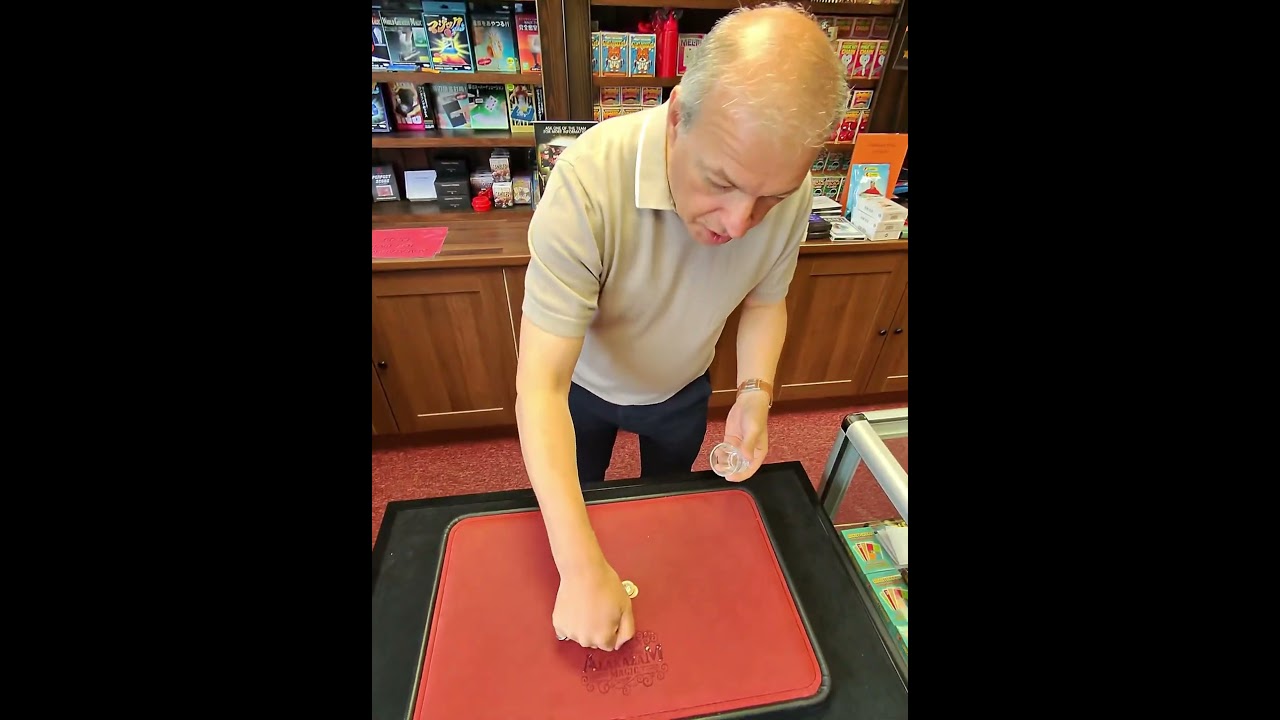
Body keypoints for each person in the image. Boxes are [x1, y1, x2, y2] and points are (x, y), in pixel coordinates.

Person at [515, 4, 849, 653]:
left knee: (667, 513)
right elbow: (539, 386)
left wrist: (754, 393)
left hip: (684, 387)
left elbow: (765, 302)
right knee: (575, 505)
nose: (738, 223)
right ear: (676, 119)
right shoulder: (587, 178)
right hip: (580, 388)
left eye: (771, 198)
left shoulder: (792, 188)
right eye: (720, 182)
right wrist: (580, 569)